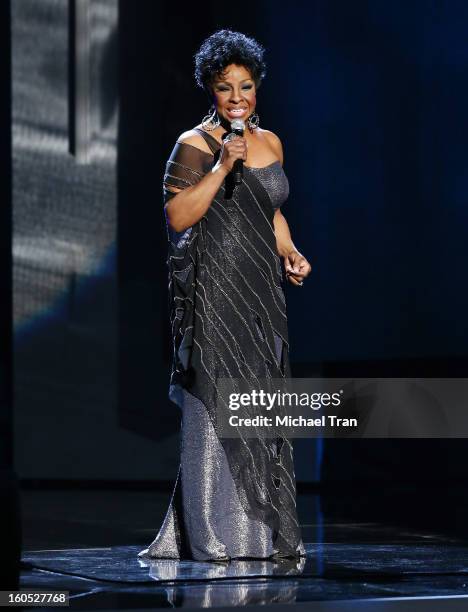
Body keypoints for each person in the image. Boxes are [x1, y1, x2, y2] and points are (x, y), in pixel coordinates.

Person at [138, 29, 312, 562]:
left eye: (245, 86)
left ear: (257, 87)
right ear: (209, 91)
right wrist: (221, 167)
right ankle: (207, 533)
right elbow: (177, 216)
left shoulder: (272, 142)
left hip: (261, 291)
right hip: (214, 288)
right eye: (224, 88)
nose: (236, 98)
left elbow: (270, 210)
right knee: (214, 398)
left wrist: (290, 251)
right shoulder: (194, 144)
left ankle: (257, 535)